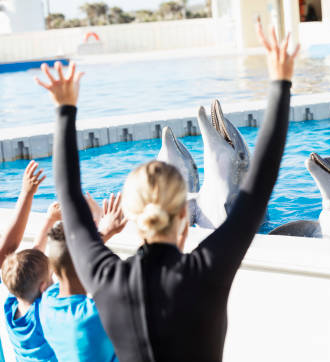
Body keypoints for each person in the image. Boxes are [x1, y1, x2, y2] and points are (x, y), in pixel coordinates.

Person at [38, 20, 299, 361]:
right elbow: (261, 184)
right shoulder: (207, 271)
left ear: (131, 214)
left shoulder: (106, 277)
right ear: (182, 213)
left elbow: (69, 196)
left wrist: (64, 109)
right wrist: (280, 83)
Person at [40, 193, 126, 362]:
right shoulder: (95, 313)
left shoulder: (47, 304)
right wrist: (103, 230)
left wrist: (103, 232)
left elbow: (69, 261)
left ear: (53, 270)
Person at [0, 162, 56, 362]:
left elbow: (28, 262)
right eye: (51, 278)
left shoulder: (11, 309)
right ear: (43, 287)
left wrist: (48, 221)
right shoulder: (45, 312)